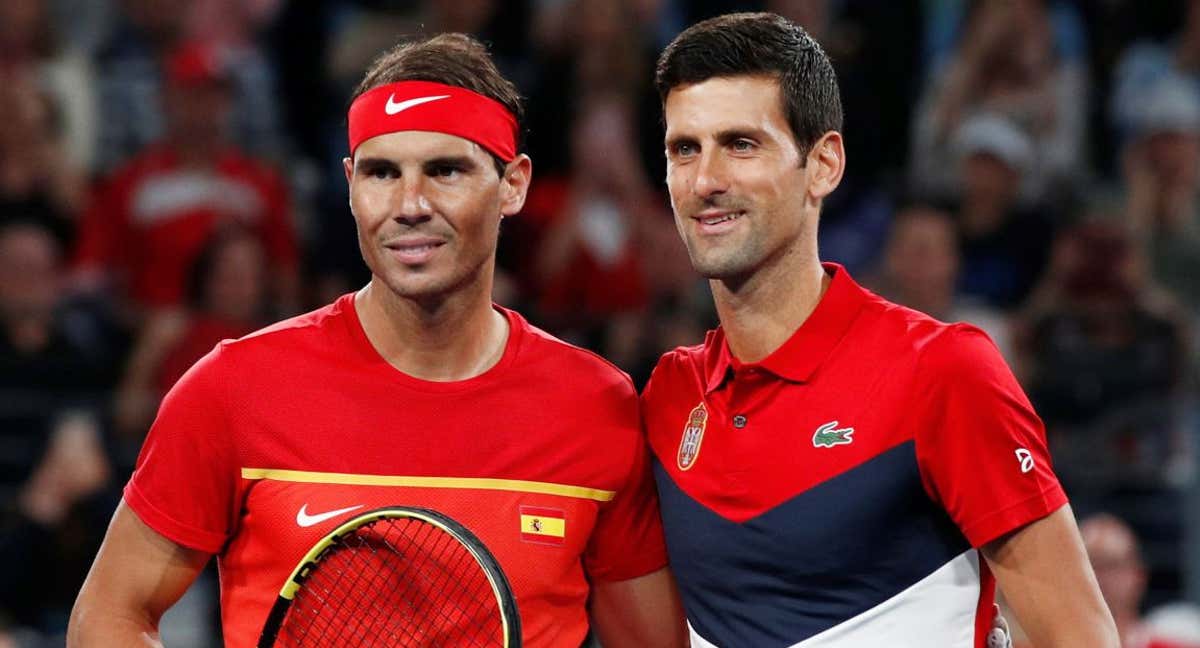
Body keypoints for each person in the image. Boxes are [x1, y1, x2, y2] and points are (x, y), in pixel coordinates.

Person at [68, 33, 684, 648]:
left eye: (445, 170)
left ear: (513, 185)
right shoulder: (232, 389)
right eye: (382, 172)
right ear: (350, 184)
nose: (409, 204)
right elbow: (109, 617)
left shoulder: (597, 405)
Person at [640, 12, 1118, 647]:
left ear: (823, 166)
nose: (706, 181)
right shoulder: (669, 396)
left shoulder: (941, 371)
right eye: (684, 149)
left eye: (741, 144)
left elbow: (1079, 636)